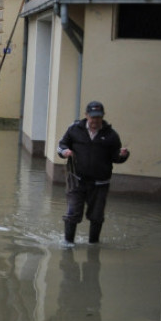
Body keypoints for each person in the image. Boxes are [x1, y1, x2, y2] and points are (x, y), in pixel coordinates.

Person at [56, 100, 129, 244]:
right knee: (73, 213)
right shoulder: (74, 129)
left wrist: (123, 155)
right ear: (86, 115)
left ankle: (93, 244)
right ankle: (68, 244)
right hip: (76, 180)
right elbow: (61, 145)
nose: (95, 120)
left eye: (98, 117)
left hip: (100, 183)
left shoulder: (111, 135)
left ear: (103, 116)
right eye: (92, 116)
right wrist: (65, 152)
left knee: (97, 216)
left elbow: (115, 157)